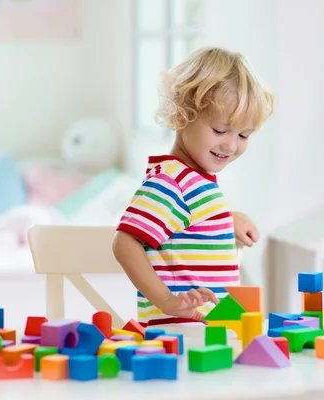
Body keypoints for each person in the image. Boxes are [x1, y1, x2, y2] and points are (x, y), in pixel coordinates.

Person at [112, 47, 274, 326]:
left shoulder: (193, 180)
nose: (231, 145)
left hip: (209, 333)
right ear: (182, 115)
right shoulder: (172, 181)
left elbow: (183, 231)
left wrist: (224, 221)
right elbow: (125, 243)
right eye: (220, 131)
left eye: (244, 135)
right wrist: (165, 300)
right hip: (183, 334)